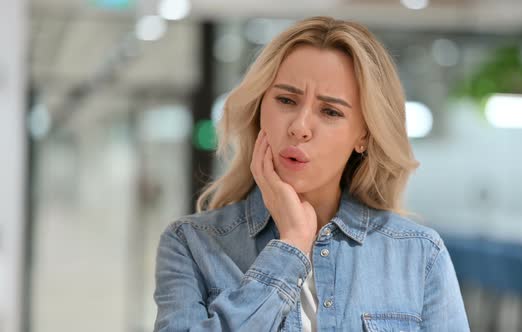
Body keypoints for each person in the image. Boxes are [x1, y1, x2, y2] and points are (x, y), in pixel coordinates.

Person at [153, 16, 469, 332]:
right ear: (260, 107)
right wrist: (290, 247)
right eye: (286, 100)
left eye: (330, 111)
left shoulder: (419, 253)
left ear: (363, 135)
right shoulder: (191, 244)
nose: (300, 127)